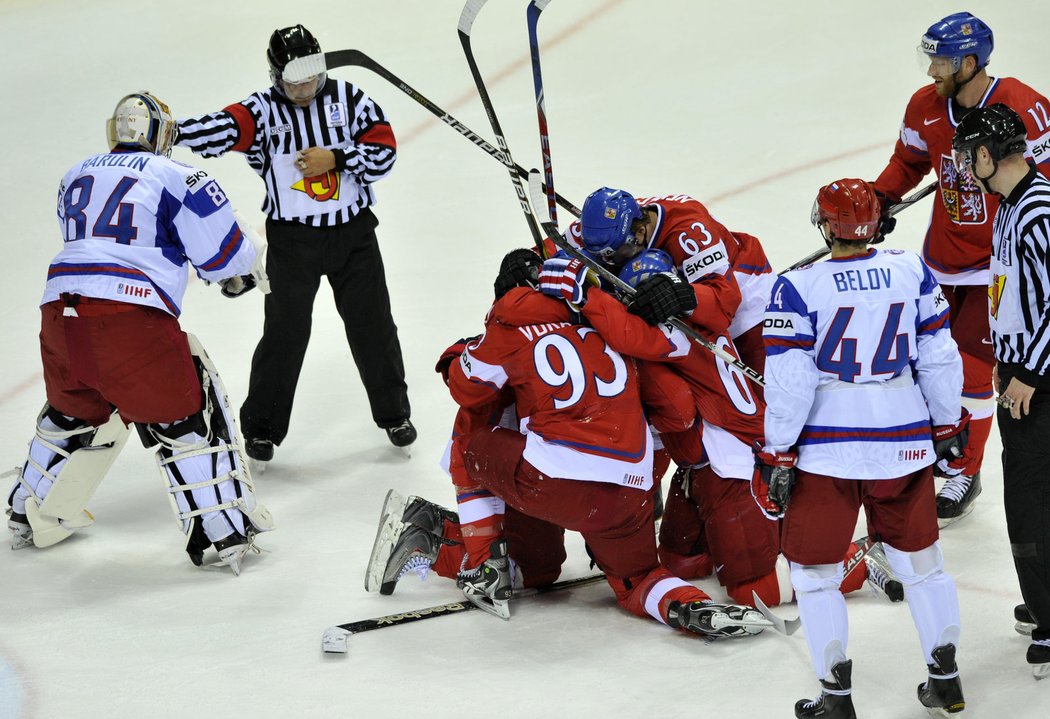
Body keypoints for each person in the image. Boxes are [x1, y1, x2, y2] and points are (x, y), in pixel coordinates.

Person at [367, 249, 770, 638]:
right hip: (625, 499)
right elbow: (676, 413)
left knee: (469, 439)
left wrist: (463, 348)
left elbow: (464, 387)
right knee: (636, 579)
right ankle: (686, 606)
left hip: (547, 482)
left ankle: (477, 561)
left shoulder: (513, 316)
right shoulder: (619, 325)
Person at [4, 93, 273, 575]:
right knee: (189, 421)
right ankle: (223, 532)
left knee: (70, 414)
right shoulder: (180, 176)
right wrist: (241, 270)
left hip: (59, 315)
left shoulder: (75, 173)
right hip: (130, 321)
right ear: (162, 133)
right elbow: (227, 259)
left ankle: (27, 509)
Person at [759, 179, 967, 717]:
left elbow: (789, 382)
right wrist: (946, 423)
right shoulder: (910, 268)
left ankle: (836, 697)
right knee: (923, 565)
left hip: (829, 448)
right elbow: (938, 355)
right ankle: (946, 679)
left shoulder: (797, 287)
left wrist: (779, 449)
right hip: (904, 438)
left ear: (826, 225)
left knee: (814, 574)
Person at [175, 25, 413, 464]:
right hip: (292, 242)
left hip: (353, 236)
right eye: (293, 81)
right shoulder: (263, 111)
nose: (303, 89)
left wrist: (337, 157)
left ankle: (395, 414)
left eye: (311, 78)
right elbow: (223, 128)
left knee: (373, 325)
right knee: (285, 334)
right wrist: (173, 132)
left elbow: (384, 155)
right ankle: (262, 428)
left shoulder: (351, 100)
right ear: (275, 75)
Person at [873, 11, 1050, 525]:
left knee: (973, 371)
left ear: (969, 63)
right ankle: (934, 448)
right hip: (942, 258)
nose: (931, 71)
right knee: (925, 359)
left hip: (1000, 268)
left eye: (941, 61)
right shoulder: (925, 107)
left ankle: (963, 470)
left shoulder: (1024, 107)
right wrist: (882, 197)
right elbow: (907, 161)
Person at [953, 103, 1050, 678]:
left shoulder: (1038, 211)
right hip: (1023, 367)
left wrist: (1029, 374)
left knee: (1030, 501)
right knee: (1034, 495)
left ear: (988, 155)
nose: (966, 167)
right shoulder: (1013, 205)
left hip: (1038, 378)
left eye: (969, 156)